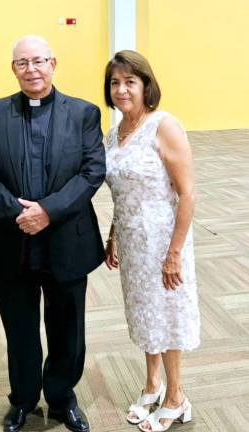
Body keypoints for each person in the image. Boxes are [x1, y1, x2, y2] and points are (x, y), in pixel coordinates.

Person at [0, 35, 105, 432]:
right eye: (23, 63)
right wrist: (21, 213)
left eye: (39, 61)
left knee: (67, 328)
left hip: (65, 239)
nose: (32, 69)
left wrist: (48, 211)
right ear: (13, 69)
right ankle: (23, 401)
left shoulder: (83, 113)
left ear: (53, 63)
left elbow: (92, 171)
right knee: (20, 327)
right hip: (12, 241)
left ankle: (62, 398)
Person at [104, 50, 200, 432]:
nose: (122, 89)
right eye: (115, 82)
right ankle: (152, 385)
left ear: (146, 85)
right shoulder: (115, 132)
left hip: (164, 240)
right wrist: (112, 235)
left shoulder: (164, 125)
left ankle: (177, 398)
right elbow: (123, 192)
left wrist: (174, 253)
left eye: (130, 81)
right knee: (144, 314)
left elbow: (188, 193)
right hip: (131, 241)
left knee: (167, 315)